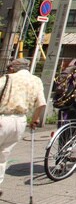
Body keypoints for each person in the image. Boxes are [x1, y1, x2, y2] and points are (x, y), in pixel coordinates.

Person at [0, 58, 46, 196]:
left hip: (3, 117)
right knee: (3, 156)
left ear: (13, 68)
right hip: (20, 122)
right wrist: (35, 120)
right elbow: (42, 103)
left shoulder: (8, 78)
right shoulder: (36, 80)